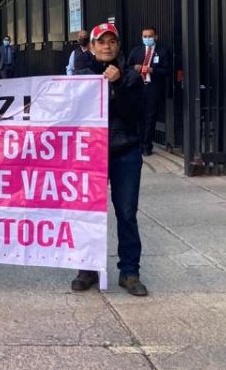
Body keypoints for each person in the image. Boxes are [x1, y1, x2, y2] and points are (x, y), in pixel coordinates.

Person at [69, 23, 148, 296]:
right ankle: (87, 268)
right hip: (90, 155)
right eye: (100, 42)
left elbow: (134, 115)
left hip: (124, 151)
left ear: (118, 46)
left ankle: (129, 272)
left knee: (126, 213)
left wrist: (118, 85)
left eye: (111, 41)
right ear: (91, 46)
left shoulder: (130, 77)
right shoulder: (79, 77)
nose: (106, 46)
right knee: (87, 212)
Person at [126, 27, 173, 155]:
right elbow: (127, 67)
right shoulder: (136, 51)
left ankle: (146, 145)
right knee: (138, 117)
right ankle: (138, 142)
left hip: (153, 88)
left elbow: (168, 70)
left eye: (150, 36)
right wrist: (135, 68)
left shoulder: (163, 52)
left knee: (150, 117)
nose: (147, 39)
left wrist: (153, 70)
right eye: (145, 36)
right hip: (138, 88)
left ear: (155, 37)